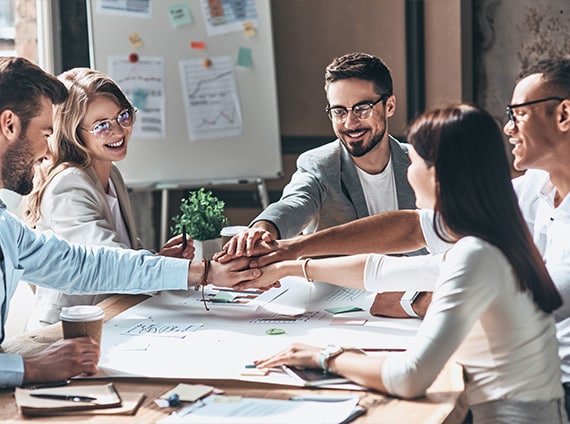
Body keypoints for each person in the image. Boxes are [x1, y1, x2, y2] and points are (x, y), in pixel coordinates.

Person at [223, 57, 570, 419]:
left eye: (416, 162)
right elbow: (386, 265)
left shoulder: (478, 252)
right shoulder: (500, 223)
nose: (408, 171)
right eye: (338, 111)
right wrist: (290, 265)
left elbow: (409, 378)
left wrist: (327, 355)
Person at [0, 56, 260, 387]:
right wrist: (29, 368)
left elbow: (86, 265)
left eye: (122, 117)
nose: (48, 147)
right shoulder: (67, 182)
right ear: (9, 125)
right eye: (45, 132)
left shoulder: (6, 228)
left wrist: (200, 271)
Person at [22, 68, 193, 328]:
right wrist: (192, 272)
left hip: (111, 316)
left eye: (123, 116)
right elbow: (107, 264)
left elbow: (117, 253)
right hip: (66, 332)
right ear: (74, 133)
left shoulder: (111, 173)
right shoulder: (68, 185)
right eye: (102, 126)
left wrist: (158, 257)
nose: (118, 131)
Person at [221, 52, 419, 257]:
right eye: (339, 111)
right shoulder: (319, 166)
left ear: (390, 106)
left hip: (416, 286)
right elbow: (293, 203)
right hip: (343, 288)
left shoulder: (419, 163)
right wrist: (263, 229)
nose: (350, 123)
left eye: (362, 109)